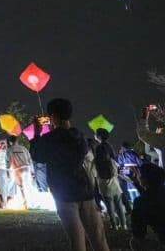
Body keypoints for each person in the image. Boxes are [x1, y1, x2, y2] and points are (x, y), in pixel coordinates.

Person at [30, 99, 111, 251]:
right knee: (98, 237)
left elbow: (37, 155)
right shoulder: (80, 136)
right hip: (84, 189)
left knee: (77, 239)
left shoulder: (50, 139)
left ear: (53, 116)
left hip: (64, 193)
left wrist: (37, 133)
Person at [93, 129, 126, 230]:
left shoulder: (98, 153)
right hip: (114, 181)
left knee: (109, 205)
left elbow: (95, 169)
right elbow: (116, 165)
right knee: (119, 204)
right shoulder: (110, 149)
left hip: (104, 182)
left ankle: (114, 225)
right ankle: (123, 224)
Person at [8, 135, 35, 210]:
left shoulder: (9, 150)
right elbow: (30, 159)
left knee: (21, 187)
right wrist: (32, 171)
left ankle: (25, 203)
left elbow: (8, 162)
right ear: (17, 141)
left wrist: (8, 172)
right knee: (29, 186)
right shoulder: (24, 148)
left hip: (17, 169)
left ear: (10, 142)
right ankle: (32, 203)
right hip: (26, 168)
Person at [117, 142, 143, 213]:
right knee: (139, 193)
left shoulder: (121, 156)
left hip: (129, 179)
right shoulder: (134, 153)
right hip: (137, 177)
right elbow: (141, 164)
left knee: (133, 198)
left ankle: (136, 211)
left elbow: (120, 169)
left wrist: (128, 172)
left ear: (122, 148)